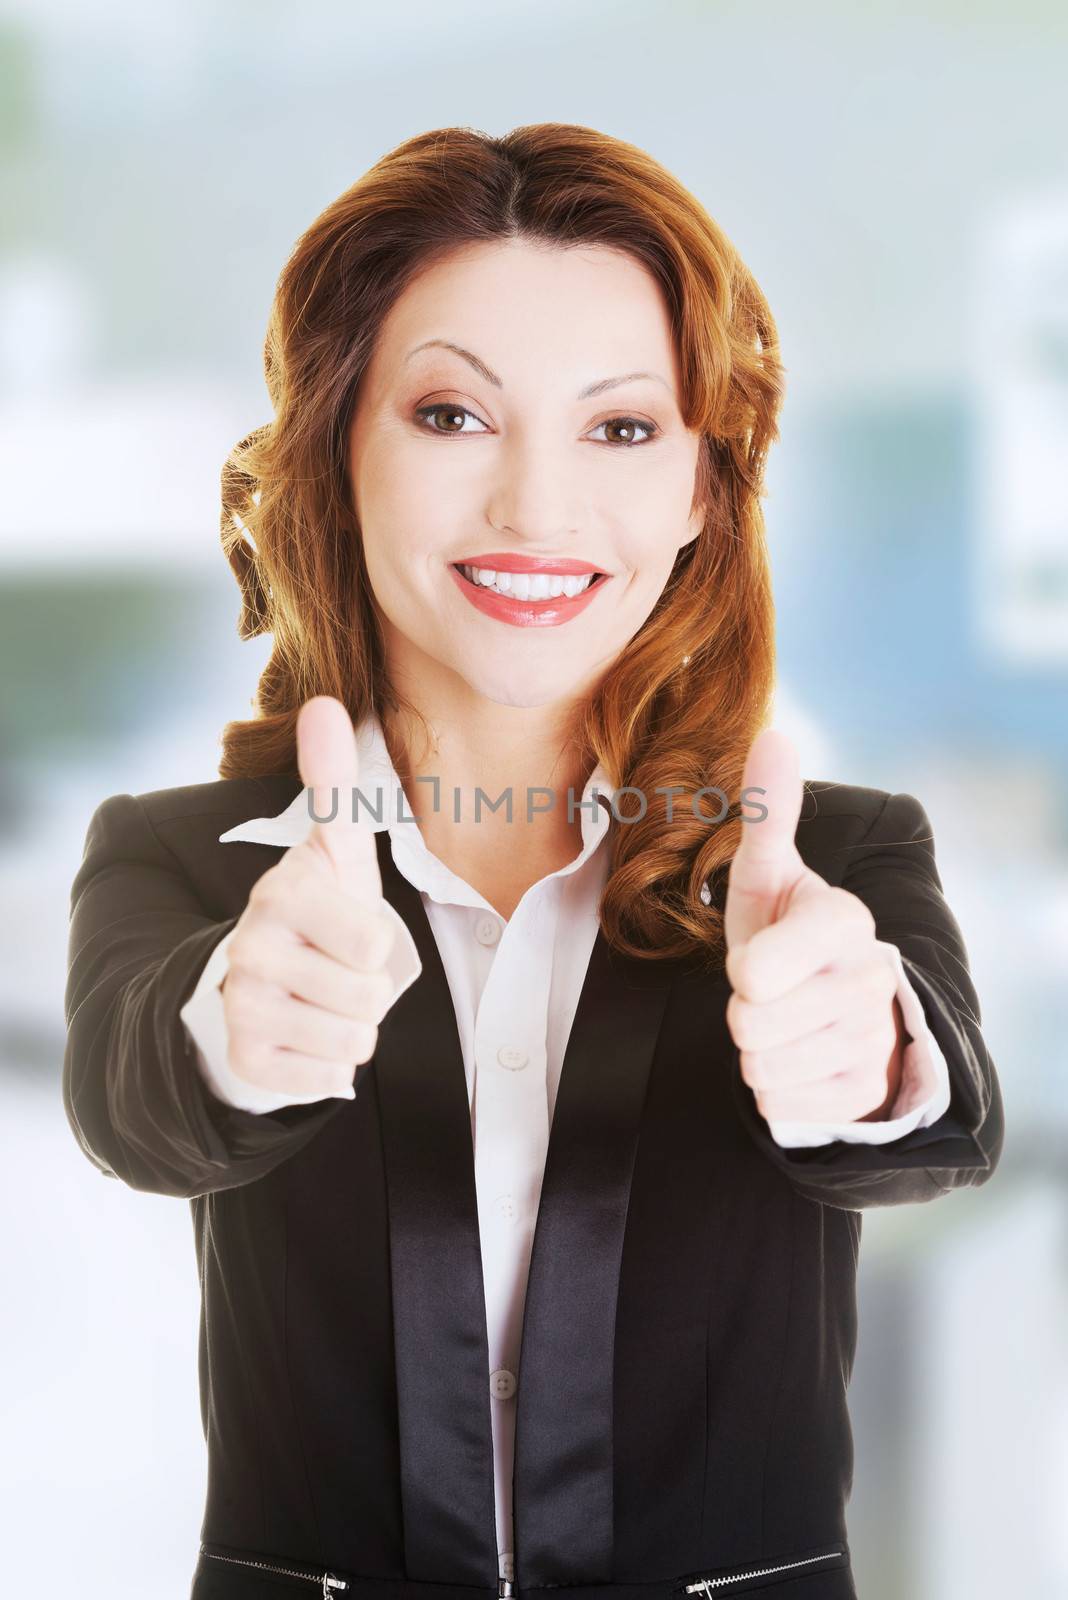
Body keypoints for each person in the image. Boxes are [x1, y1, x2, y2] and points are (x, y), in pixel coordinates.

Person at [62, 122, 1004, 1600]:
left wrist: (870, 1058)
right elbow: (136, 1112)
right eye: (451, 415)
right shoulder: (185, 861)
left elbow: (946, 1118)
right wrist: (236, 1036)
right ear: (336, 450)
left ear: (703, 488)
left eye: (621, 428)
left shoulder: (837, 856)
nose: (536, 510)